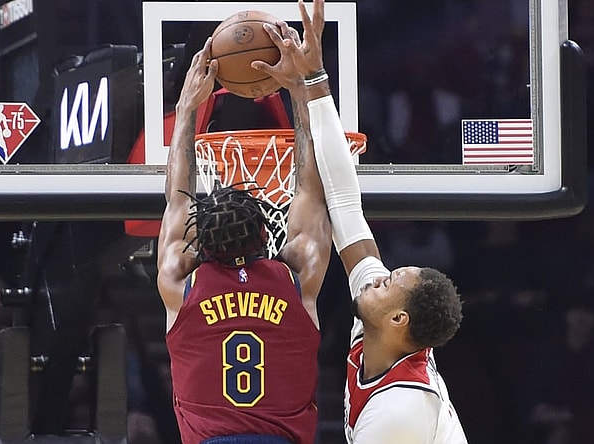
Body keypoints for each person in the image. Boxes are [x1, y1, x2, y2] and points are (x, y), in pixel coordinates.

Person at [252, 1, 467, 442]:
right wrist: (311, 82)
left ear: (398, 321)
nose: (376, 279)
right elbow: (347, 204)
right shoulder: (381, 327)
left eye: (388, 284)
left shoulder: (400, 409)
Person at [155, 31, 332, 444]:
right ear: (267, 230)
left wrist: (186, 110)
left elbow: (177, 200)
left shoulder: (179, 282)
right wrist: (297, 87)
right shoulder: (297, 274)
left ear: (198, 244)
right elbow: (309, 189)